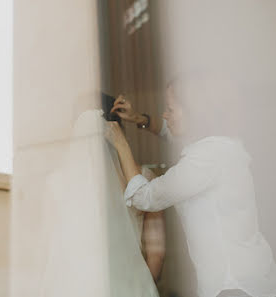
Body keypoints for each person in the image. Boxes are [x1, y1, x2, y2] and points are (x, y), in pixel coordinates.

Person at [105, 77, 276, 297]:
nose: (165, 116)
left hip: (231, 284)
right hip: (252, 276)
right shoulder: (224, 146)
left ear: (194, 114)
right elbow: (170, 132)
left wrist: (120, 143)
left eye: (170, 109)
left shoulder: (203, 161)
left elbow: (144, 197)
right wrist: (139, 119)